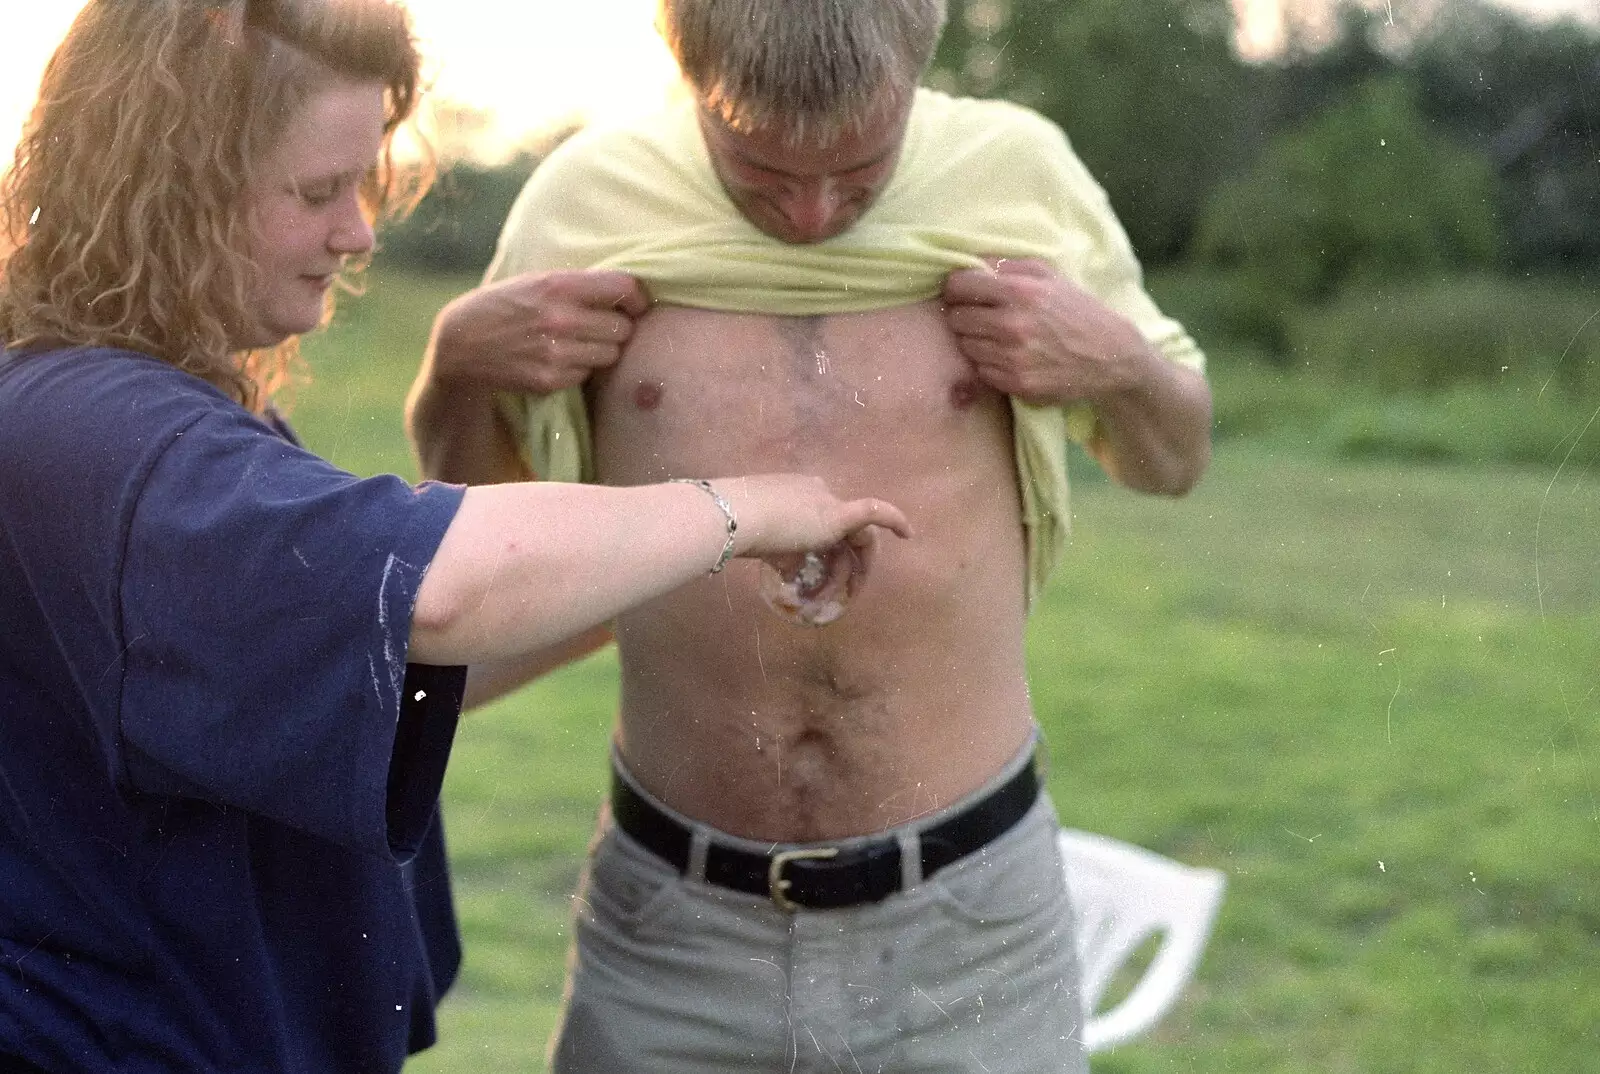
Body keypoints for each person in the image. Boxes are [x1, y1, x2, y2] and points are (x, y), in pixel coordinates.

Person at [0, 2, 909, 1072]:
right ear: (172, 186)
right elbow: (433, 590)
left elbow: (382, 657)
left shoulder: (141, 410)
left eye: (364, 183)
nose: (358, 233)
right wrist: (746, 507)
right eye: (315, 191)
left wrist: (674, 570)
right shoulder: (90, 432)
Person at [405, 0, 1212, 1070]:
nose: (813, 212)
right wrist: (454, 364)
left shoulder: (1020, 174)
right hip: (674, 934)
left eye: (861, 171)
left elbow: (1172, 458)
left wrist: (1116, 363)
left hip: (972, 930)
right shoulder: (587, 199)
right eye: (763, 177)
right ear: (685, 73)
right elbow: (490, 529)